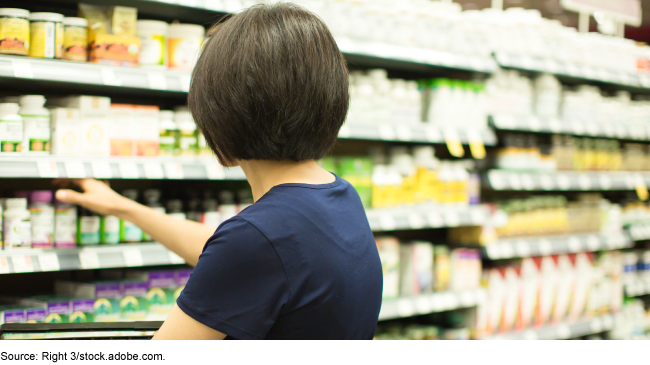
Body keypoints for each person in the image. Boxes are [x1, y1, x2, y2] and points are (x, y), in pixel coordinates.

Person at [55, 3, 383, 340]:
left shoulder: (257, 238)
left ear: (222, 126)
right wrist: (122, 207)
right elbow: (238, 255)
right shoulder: (340, 198)